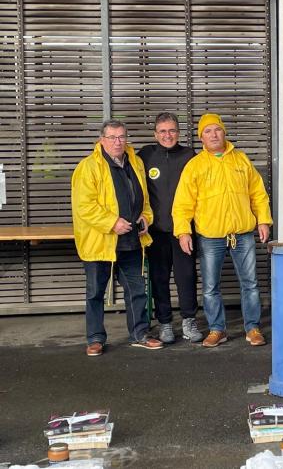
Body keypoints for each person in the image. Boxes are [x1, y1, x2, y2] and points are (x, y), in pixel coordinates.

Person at [172, 114, 272, 348]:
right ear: (201, 138)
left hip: (242, 234)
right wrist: (183, 232)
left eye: (217, 129)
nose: (213, 134)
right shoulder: (195, 166)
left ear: (224, 132)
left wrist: (264, 220)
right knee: (210, 288)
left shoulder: (241, 160)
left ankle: (253, 328)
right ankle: (217, 329)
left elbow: (257, 193)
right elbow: (183, 203)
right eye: (207, 131)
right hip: (210, 236)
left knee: (250, 284)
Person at [71, 120, 163, 356]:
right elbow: (84, 206)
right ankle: (95, 338)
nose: (117, 142)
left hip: (131, 241)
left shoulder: (136, 163)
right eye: (112, 137)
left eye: (121, 137)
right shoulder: (88, 167)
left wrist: (146, 217)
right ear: (102, 140)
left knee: (136, 290)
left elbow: (144, 199)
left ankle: (140, 334)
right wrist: (112, 222)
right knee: (95, 293)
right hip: (100, 242)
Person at [137, 112, 201, 344]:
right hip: (155, 231)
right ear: (155, 134)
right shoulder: (145, 155)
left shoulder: (189, 156)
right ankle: (165, 323)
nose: (167, 135)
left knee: (187, 277)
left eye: (172, 130)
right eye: (163, 131)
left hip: (183, 231)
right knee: (159, 278)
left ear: (179, 132)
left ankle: (189, 321)